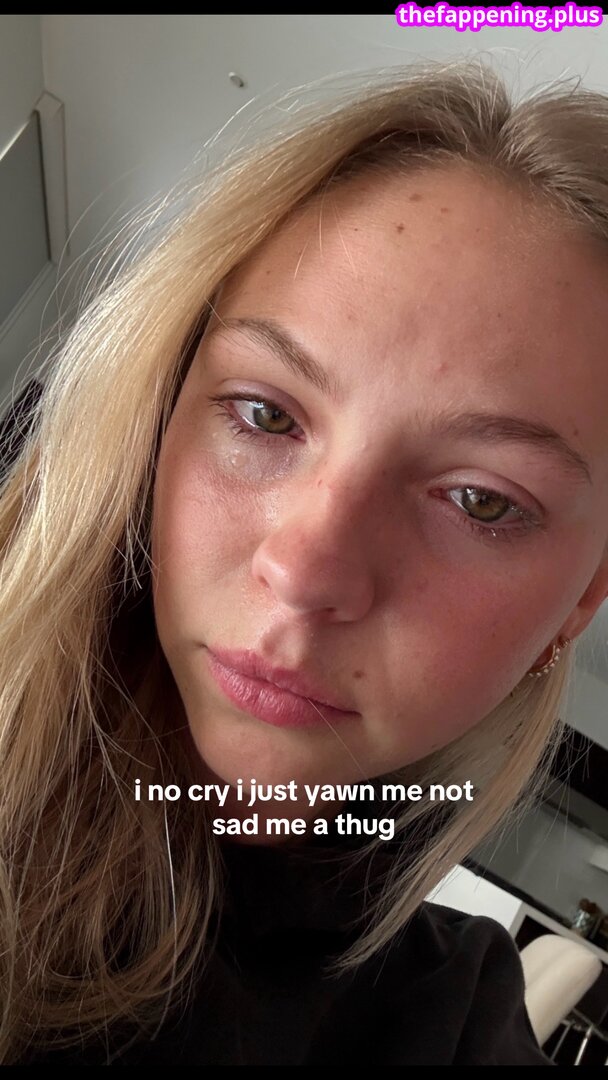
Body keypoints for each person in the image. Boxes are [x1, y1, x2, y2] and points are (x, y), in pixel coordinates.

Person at [1, 54, 607, 1065]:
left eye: (482, 500)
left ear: (578, 603)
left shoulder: (457, 1023)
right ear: (158, 415)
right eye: (265, 414)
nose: (306, 571)